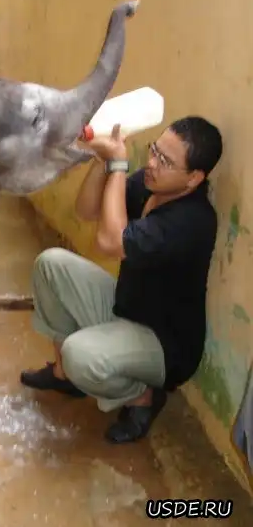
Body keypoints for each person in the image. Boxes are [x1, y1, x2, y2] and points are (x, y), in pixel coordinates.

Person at [19, 116, 223, 443]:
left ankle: (142, 397)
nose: (152, 163)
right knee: (51, 264)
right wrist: (101, 160)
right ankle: (64, 375)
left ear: (194, 178)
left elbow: (110, 242)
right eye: (155, 150)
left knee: (79, 355)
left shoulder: (191, 221)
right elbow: (86, 210)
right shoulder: (151, 184)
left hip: (163, 344)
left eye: (166, 161)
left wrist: (117, 165)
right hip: (126, 307)